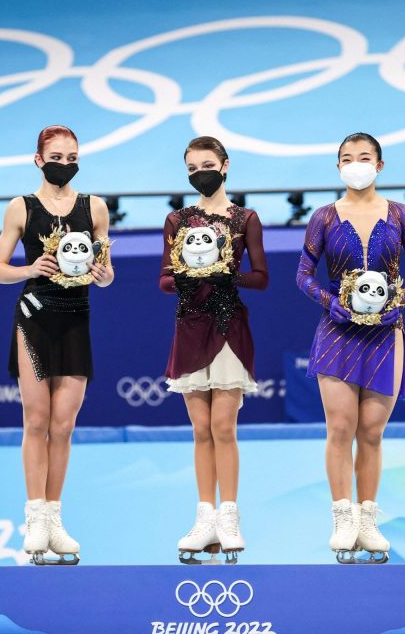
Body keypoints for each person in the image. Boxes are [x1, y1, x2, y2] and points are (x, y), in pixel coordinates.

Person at [296, 132, 405, 562]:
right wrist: (329, 301)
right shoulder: (323, 217)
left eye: (364, 157)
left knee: (371, 432)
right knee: (340, 428)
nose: (356, 164)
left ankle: (368, 520)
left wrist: (400, 300)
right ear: (338, 166)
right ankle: (343, 519)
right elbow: (303, 274)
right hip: (337, 331)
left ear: (380, 165)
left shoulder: (400, 215)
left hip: (386, 333)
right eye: (347, 158)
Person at [0, 125, 115, 564]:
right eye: (56, 157)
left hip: (75, 318)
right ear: (39, 160)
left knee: (63, 425)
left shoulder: (94, 207)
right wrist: (28, 270)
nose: (65, 164)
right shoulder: (20, 208)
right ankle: (35, 518)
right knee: (37, 420)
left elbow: (107, 271)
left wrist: (104, 275)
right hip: (34, 320)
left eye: (72, 157)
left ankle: (55, 519)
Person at [159, 136, 269, 563]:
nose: (199, 173)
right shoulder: (177, 220)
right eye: (192, 168)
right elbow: (163, 279)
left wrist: (229, 277)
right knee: (200, 429)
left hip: (227, 327)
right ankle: (204, 518)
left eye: (207, 165)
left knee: (224, 426)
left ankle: (230, 517)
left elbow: (261, 277)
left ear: (224, 166)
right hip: (190, 326)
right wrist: (182, 280)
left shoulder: (245, 219)